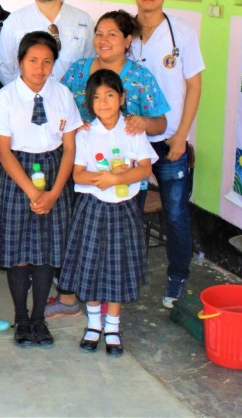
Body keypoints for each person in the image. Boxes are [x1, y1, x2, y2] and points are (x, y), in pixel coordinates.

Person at [0, 31, 82, 347]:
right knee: (19, 254)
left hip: (55, 174)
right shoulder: (6, 97)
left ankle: (39, 318)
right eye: (32, 61)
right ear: (20, 62)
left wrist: (54, 193)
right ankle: (22, 319)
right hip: (18, 177)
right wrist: (31, 191)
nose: (39, 69)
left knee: (46, 254)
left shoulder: (63, 95)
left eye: (46, 62)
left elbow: (69, 148)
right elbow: (2, 150)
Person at [59, 70, 157, 357]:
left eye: (110, 95)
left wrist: (117, 179)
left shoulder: (131, 130)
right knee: (90, 265)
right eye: (97, 97)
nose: (103, 102)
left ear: (122, 98)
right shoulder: (86, 134)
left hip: (123, 208)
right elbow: (77, 175)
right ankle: (93, 324)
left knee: (118, 267)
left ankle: (112, 326)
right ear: (89, 102)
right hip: (92, 208)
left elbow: (145, 168)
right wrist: (99, 177)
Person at [129, 0, 205, 308]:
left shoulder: (182, 34)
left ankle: (177, 276)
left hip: (170, 140)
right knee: (126, 210)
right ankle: (127, 275)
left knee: (175, 213)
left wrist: (181, 136)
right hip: (132, 142)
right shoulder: (124, 32)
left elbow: (194, 85)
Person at [0, 0, 94, 86]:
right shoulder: (14, 22)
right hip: (28, 105)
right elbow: (4, 70)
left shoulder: (83, 20)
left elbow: (90, 64)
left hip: (72, 103)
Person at [62, 10, 169, 132]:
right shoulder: (78, 69)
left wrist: (145, 123)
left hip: (124, 149)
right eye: (99, 34)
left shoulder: (141, 77)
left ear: (127, 41)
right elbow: (56, 107)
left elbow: (161, 124)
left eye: (112, 35)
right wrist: (72, 125)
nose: (103, 40)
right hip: (81, 148)